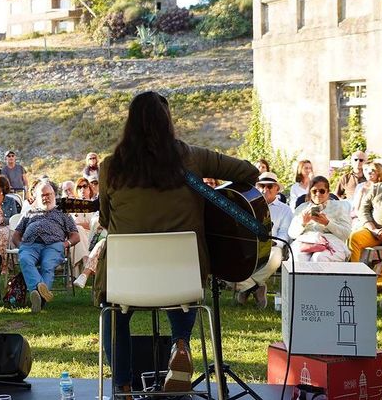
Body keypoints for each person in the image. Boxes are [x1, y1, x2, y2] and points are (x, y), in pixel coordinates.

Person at [96, 91, 259, 395]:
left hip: (126, 282)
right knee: (179, 276)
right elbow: (249, 172)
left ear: (129, 124)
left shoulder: (110, 167)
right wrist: (208, 204)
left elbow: (106, 219)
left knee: (113, 311)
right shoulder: (194, 158)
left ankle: (123, 386)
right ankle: (180, 344)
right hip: (182, 280)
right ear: (168, 122)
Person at [13, 180, 79, 314]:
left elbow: (75, 236)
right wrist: (22, 247)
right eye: (42, 195)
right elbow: (15, 236)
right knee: (25, 260)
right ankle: (41, 297)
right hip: (30, 245)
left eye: (49, 194)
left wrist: (65, 244)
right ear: (37, 197)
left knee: (47, 265)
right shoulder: (29, 213)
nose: (46, 197)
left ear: (54, 195)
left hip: (53, 245)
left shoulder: (62, 213)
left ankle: (37, 298)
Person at [235, 172, 293, 308]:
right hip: (249, 245)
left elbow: (285, 234)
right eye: (262, 186)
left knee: (275, 257)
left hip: (273, 246)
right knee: (227, 258)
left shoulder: (285, 210)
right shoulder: (248, 206)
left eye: (270, 186)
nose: (265, 189)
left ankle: (245, 286)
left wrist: (273, 242)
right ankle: (255, 288)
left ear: (277, 189)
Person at [287, 176, 352, 262]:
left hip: (331, 242)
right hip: (306, 241)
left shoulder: (339, 207)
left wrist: (327, 223)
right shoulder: (302, 208)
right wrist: (303, 223)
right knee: (298, 258)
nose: (318, 194)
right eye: (314, 191)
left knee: (319, 258)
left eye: (322, 191)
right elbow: (291, 234)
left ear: (328, 192)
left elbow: (346, 234)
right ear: (310, 192)